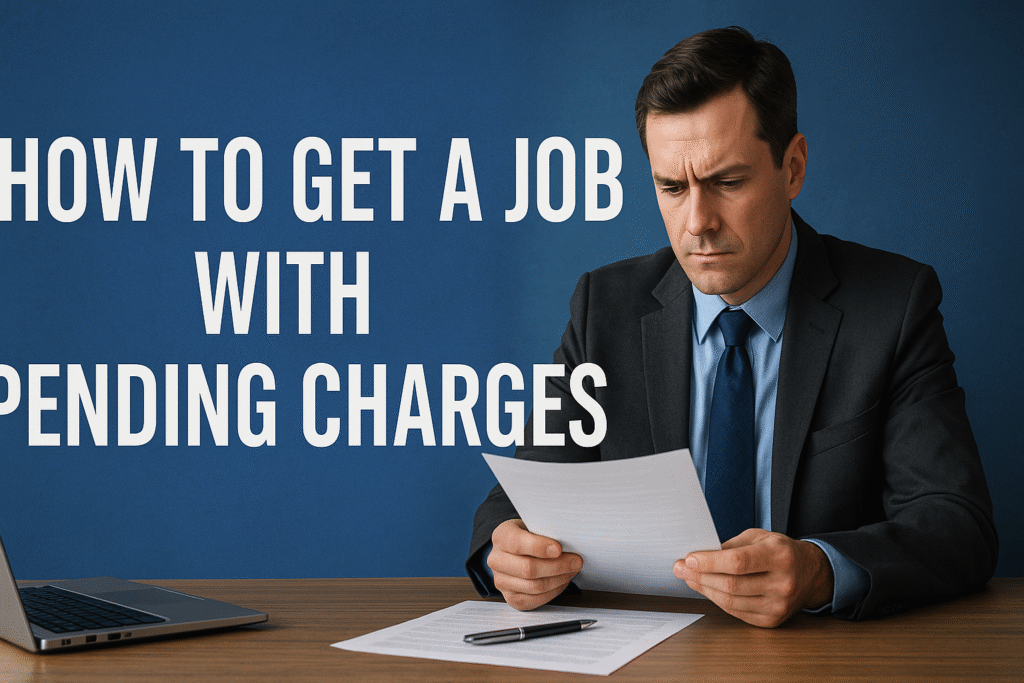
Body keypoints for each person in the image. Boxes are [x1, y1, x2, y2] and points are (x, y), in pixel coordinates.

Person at [466, 26, 997, 628]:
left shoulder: (893, 307)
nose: (698, 222)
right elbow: (522, 496)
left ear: (792, 168)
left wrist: (819, 570)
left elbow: (958, 524)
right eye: (672, 187)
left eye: (727, 182)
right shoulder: (602, 307)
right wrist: (503, 551)